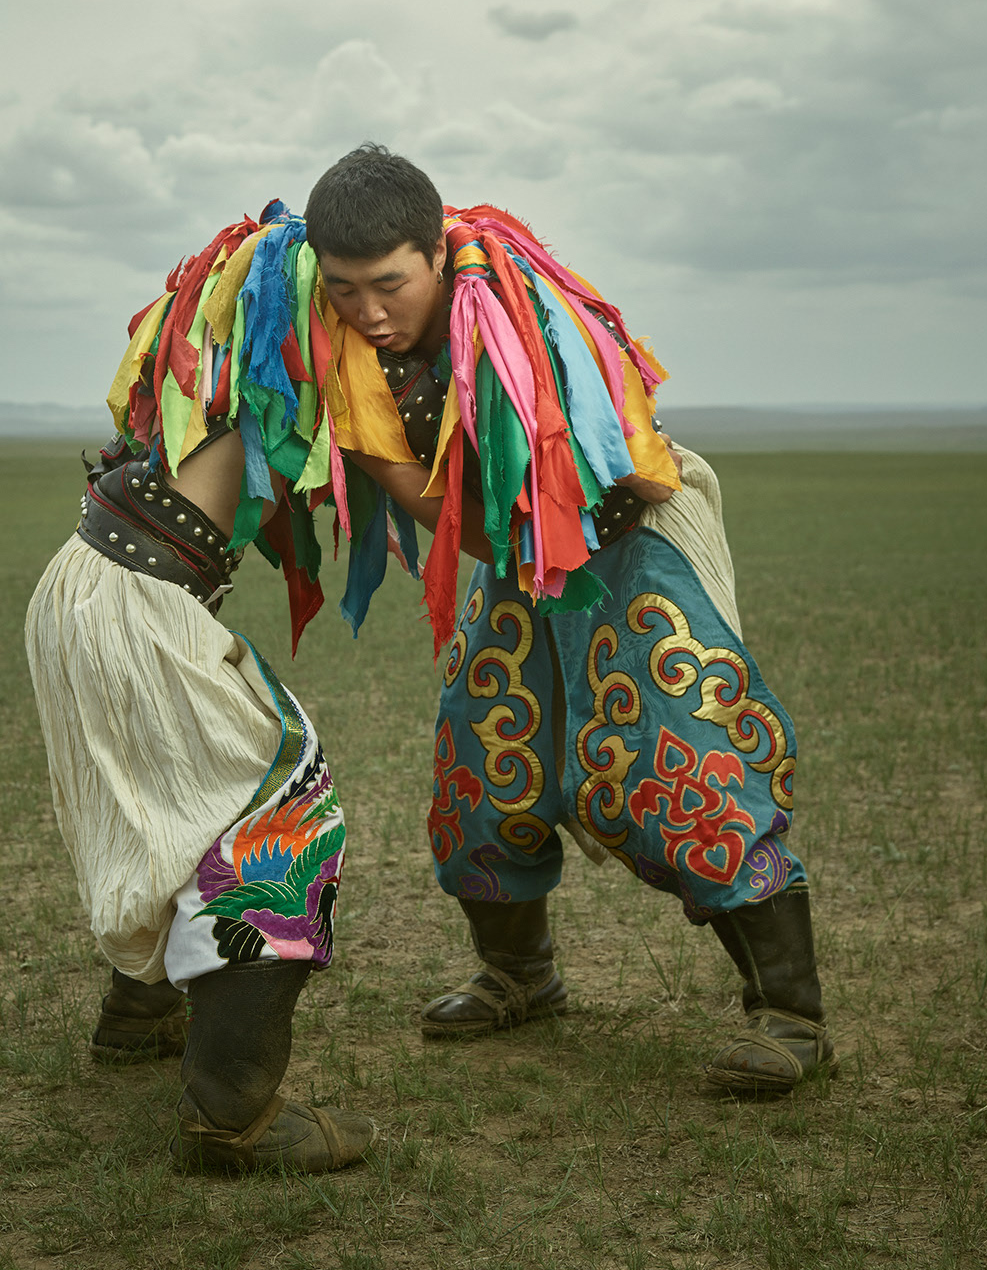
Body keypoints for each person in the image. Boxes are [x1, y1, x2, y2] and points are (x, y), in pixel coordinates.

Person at [304, 146, 834, 1097]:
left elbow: (624, 471)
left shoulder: (524, 316)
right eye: (343, 289)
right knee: (479, 760)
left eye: (388, 285)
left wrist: (422, 469)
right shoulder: (350, 349)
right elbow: (448, 514)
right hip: (517, 557)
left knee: (677, 764)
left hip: (628, 544)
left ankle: (792, 1017)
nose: (367, 312)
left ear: (435, 253)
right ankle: (521, 976)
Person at [24, 205, 375, 1172]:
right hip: (134, 604)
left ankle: (139, 1013)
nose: (369, 312)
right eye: (348, 290)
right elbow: (409, 474)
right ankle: (235, 1116)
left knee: (172, 798)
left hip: (85, 589)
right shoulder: (285, 364)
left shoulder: (215, 373)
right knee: (282, 808)